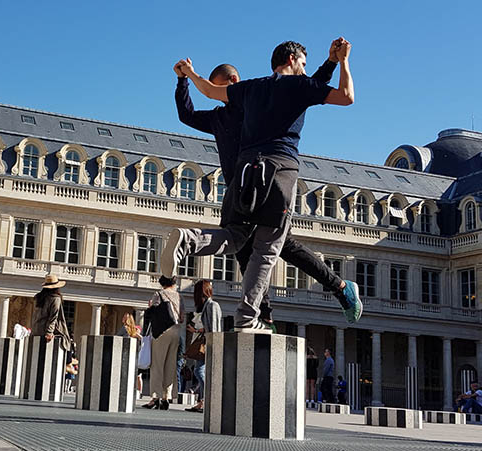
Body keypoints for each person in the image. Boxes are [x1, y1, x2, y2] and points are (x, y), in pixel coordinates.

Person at [165, 38, 358, 331]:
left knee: (237, 237)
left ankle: (188, 240)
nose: (305, 71)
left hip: (242, 176)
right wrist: (342, 61)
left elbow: (205, 92)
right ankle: (250, 316)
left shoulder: (249, 89)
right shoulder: (298, 87)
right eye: (302, 64)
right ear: (293, 59)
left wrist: (188, 77)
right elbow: (343, 95)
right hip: (278, 170)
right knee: (270, 247)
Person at [142, 275, 184, 410]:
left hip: (161, 331)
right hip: (176, 331)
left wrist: (150, 308)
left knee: (157, 364)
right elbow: (182, 317)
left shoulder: (159, 294)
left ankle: (155, 397)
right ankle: (167, 396)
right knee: (170, 365)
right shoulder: (179, 296)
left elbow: (152, 312)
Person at [186, 280, 221, 413]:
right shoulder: (206, 305)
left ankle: (208, 400)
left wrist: (197, 331)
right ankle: (202, 401)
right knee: (200, 371)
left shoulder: (212, 305)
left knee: (199, 371)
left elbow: (212, 328)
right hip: (204, 343)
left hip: (207, 344)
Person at [30, 274, 73, 352]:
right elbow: (53, 316)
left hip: (36, 329)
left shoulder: (39, 297)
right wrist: (49, 332)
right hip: (47, 331)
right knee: (67, 349)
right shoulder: (55, 298)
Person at [117, 313, 144, 397]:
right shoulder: (135, 330)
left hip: (125, 353)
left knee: (125, 373)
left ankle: (126, 390)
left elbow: (116, 337)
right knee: (138, 375)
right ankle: (139, 392)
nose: (122, 318)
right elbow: (141, 339)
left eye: (124, 318)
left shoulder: (125, 328)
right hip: (135, 354)